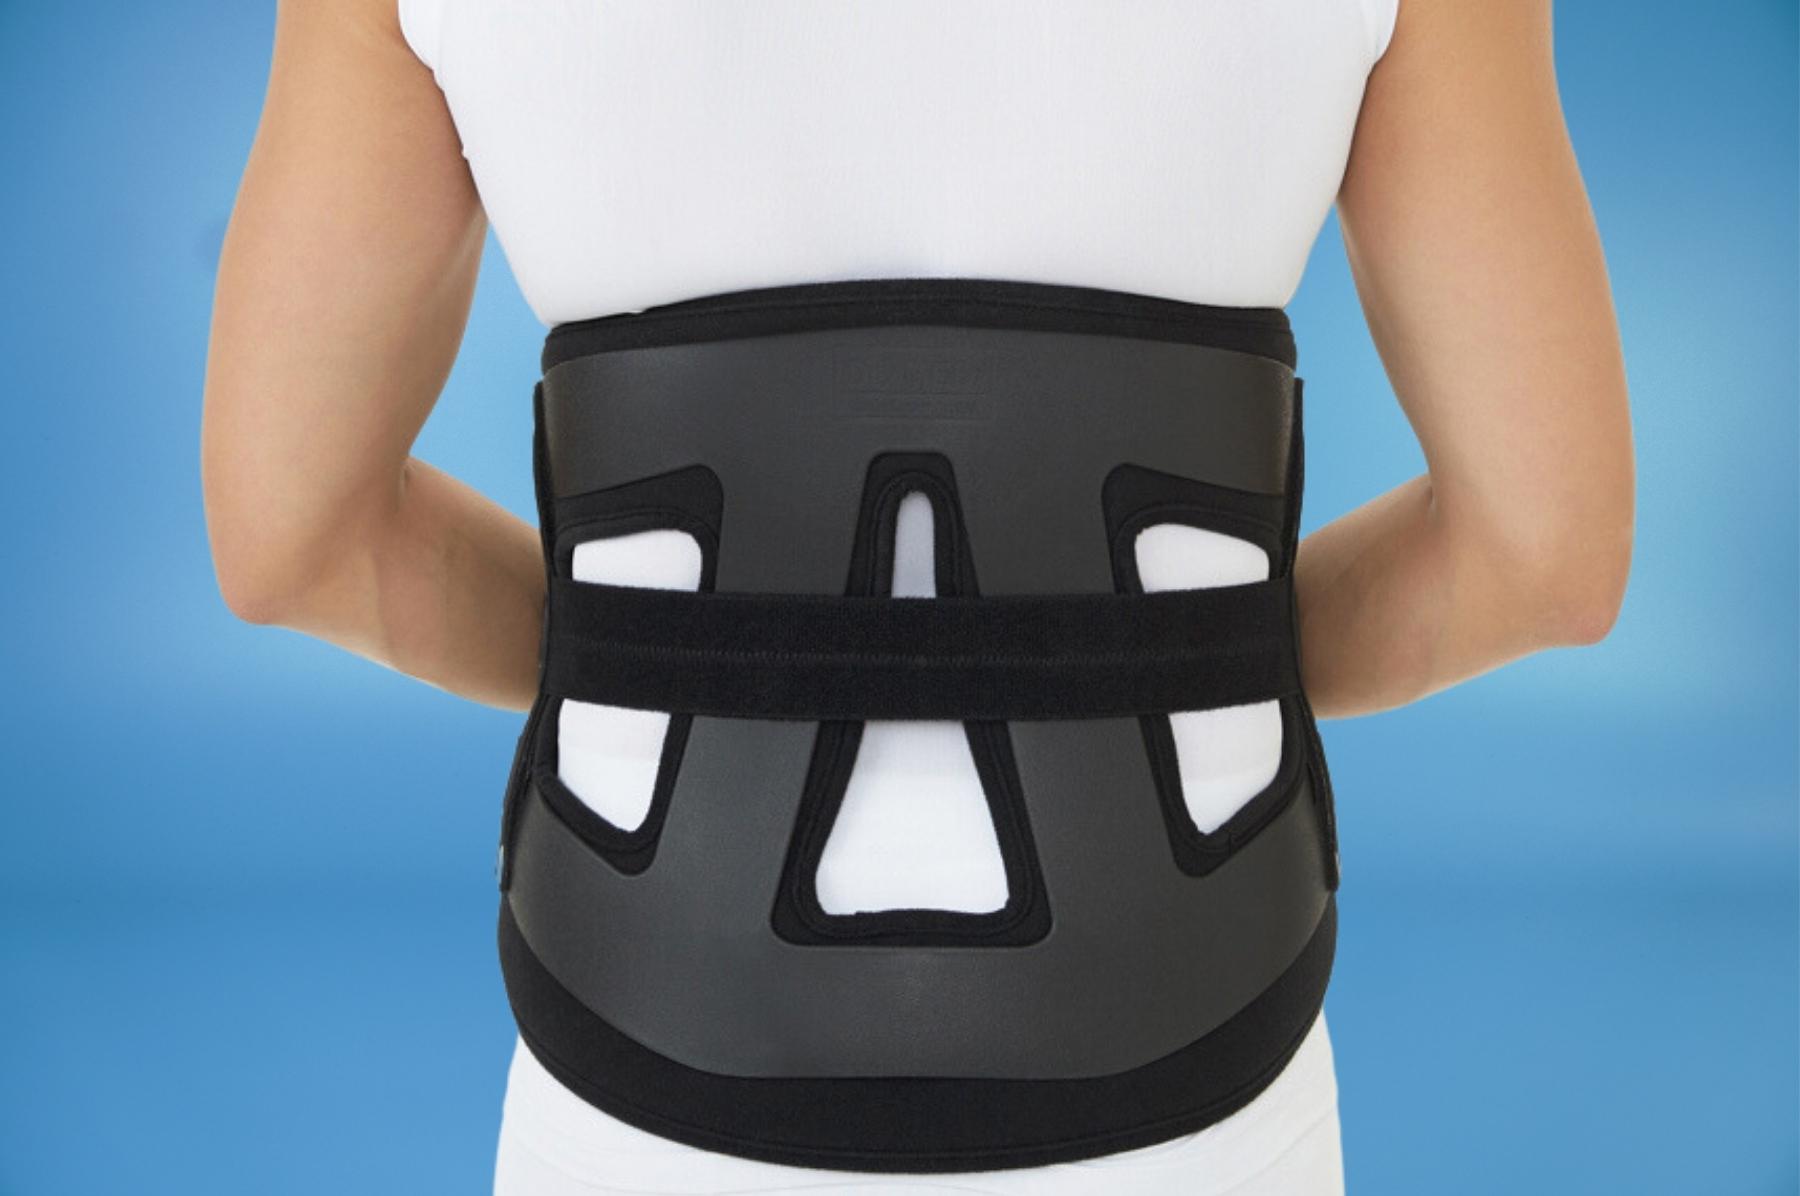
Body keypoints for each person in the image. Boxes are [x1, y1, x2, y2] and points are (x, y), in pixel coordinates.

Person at [200, 2, 1634, 1193]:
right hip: (1189, 1061)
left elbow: (294, 539)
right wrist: (1179, 664)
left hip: (651, 1052)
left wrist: (668, 665)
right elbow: (1543, 554)